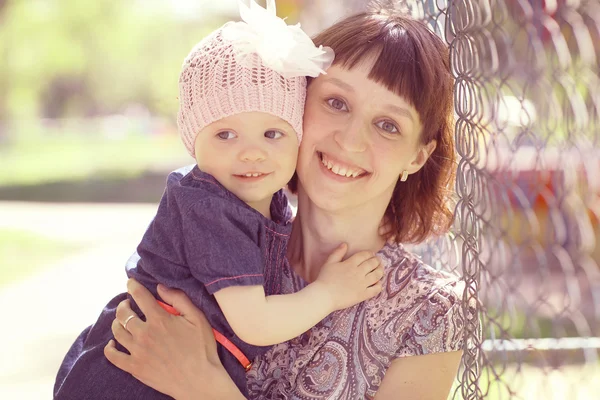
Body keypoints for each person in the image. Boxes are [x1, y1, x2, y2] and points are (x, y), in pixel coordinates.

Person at [104, 7, 475, 400]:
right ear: (297, 106)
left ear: (417, 157)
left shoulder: (427, 314)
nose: (351, 141)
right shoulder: (226, 236)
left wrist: (204, 388)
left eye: (388, 125)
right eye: (336, 103)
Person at [53, 1, 386, 399]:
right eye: (225, 135)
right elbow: (256, 323)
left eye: (272, 134)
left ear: (297, 135)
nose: (251, 153)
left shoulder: (269, 203)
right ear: (193, 141)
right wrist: (330, 292)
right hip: (130, 381)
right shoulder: (208, 208)